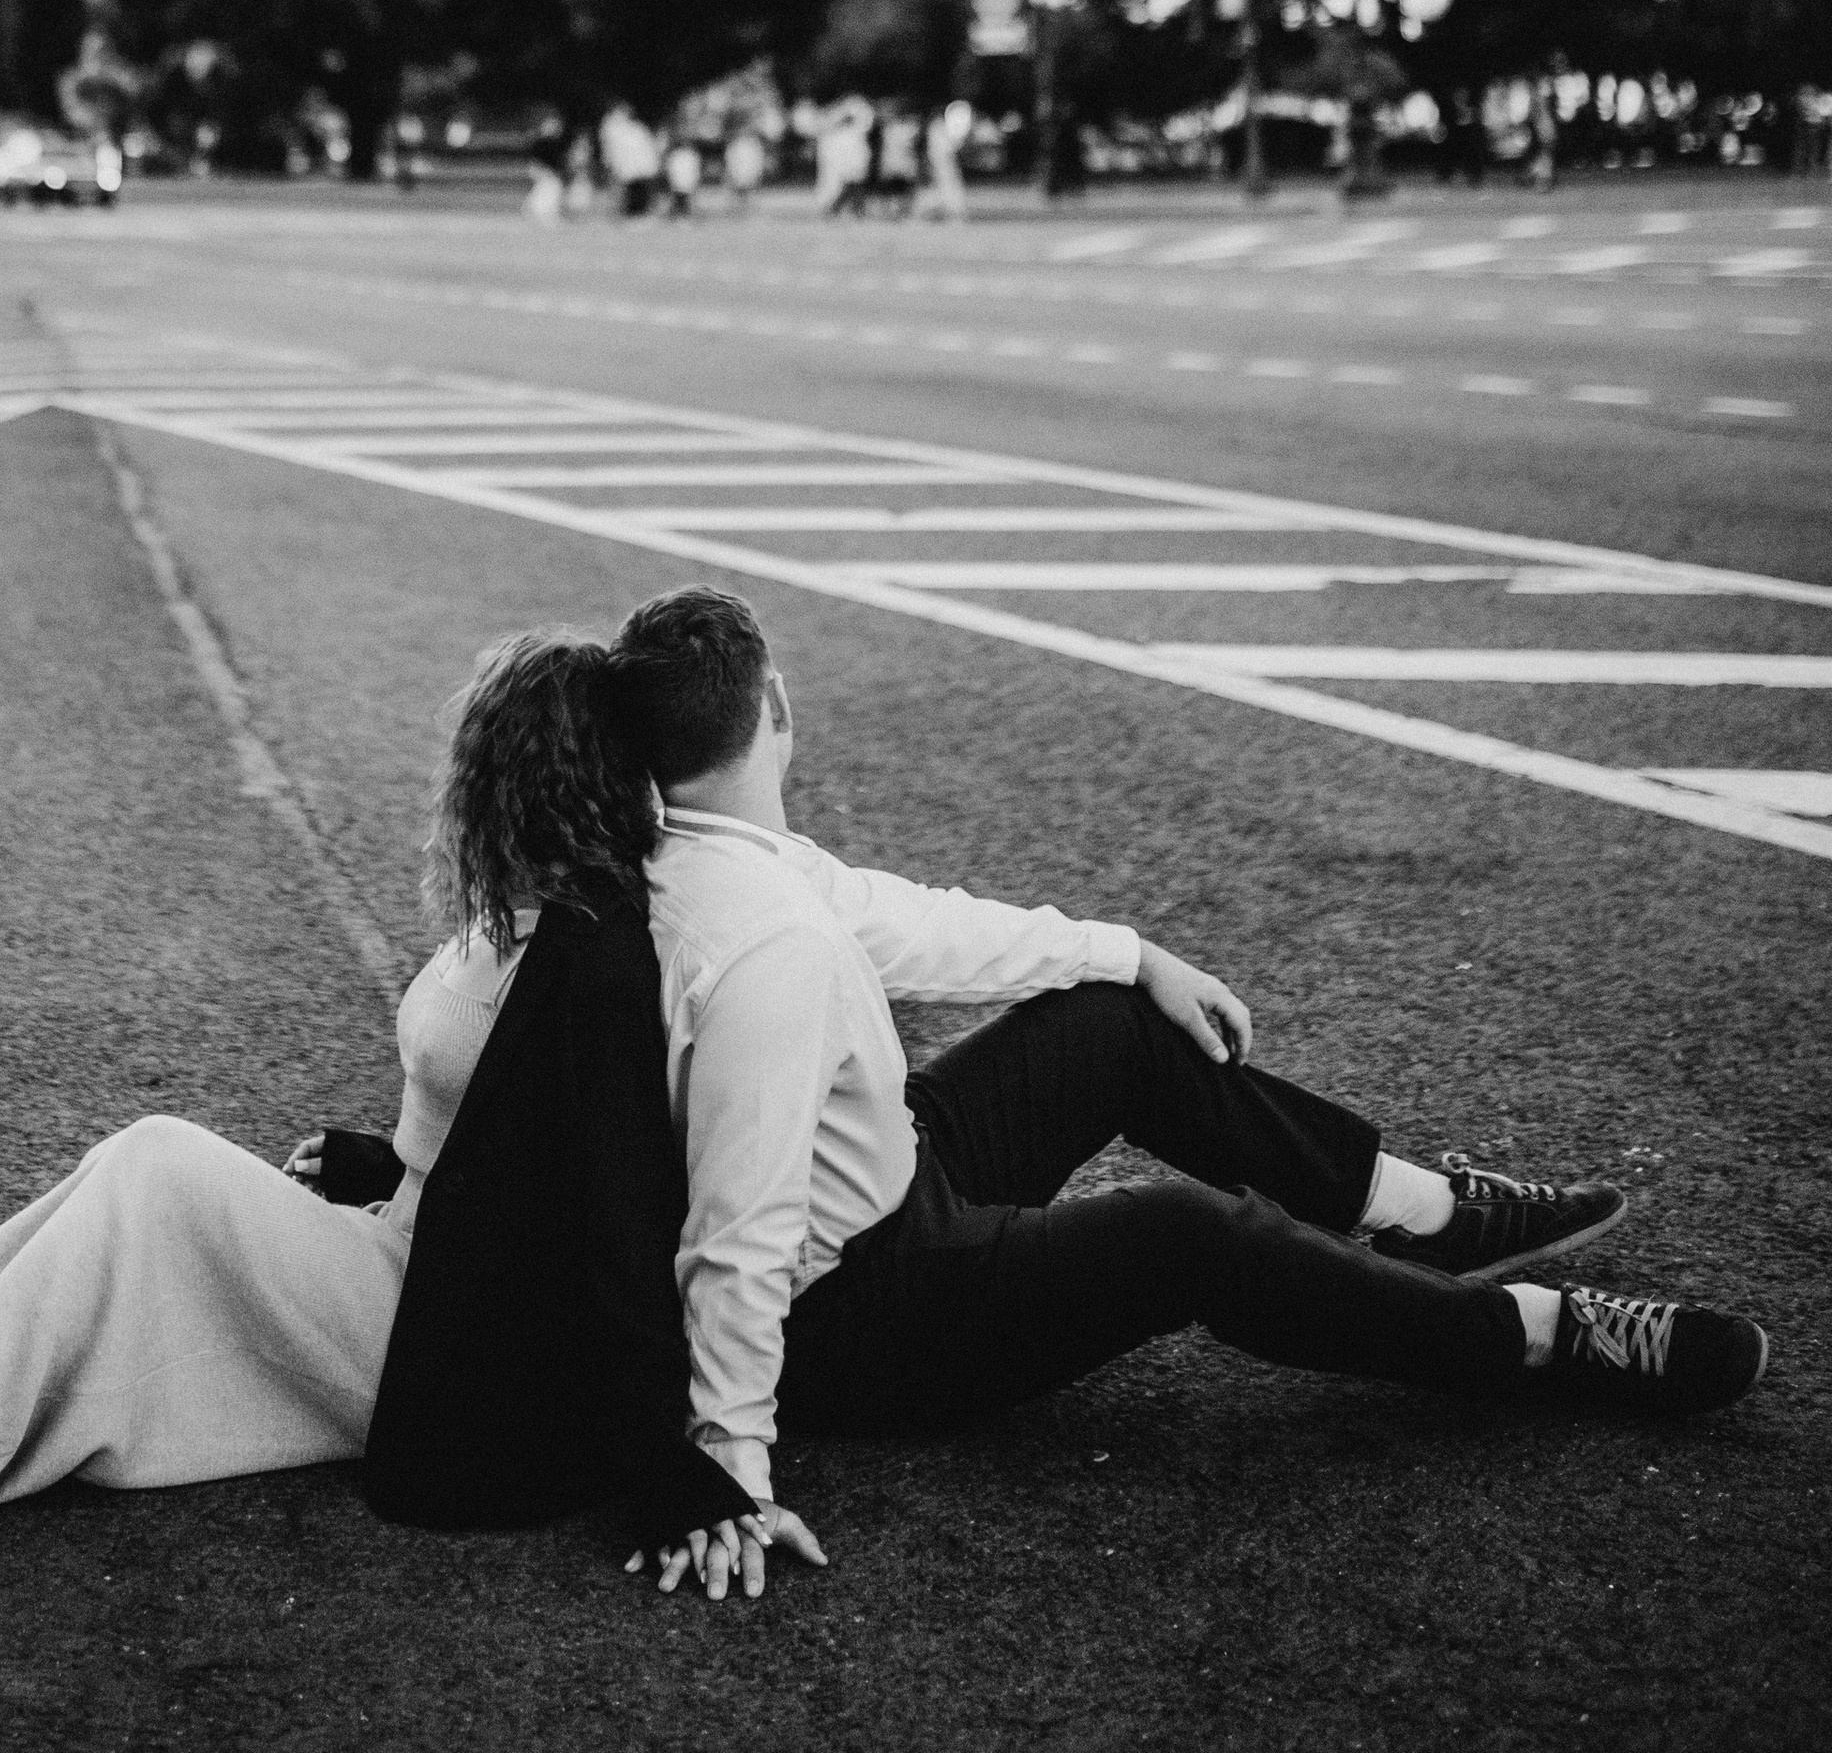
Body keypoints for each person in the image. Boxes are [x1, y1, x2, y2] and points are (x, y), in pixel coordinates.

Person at [603, 584, 1769, 1603]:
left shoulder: (728, 861)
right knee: (1178, 1236)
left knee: (1111, 1021)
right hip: (866, 1311)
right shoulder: (750, 948)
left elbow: (915, 924)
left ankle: (1423, 1214)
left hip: (892, 1182)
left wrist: (1130, 952)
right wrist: (727, 1468)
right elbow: (738, 1230)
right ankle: (1540, 1338)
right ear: (781, 711)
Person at [0, 636, 743, 1567]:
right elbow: (496, 1142)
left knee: (154, 1164)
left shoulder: (593, 956)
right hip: (401, 1257)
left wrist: (683, 1465)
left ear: (508, 776)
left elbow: (610, 1213)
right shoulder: (518, 917)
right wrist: (378, 1161)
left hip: (440, 1333)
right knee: (109, 1187)